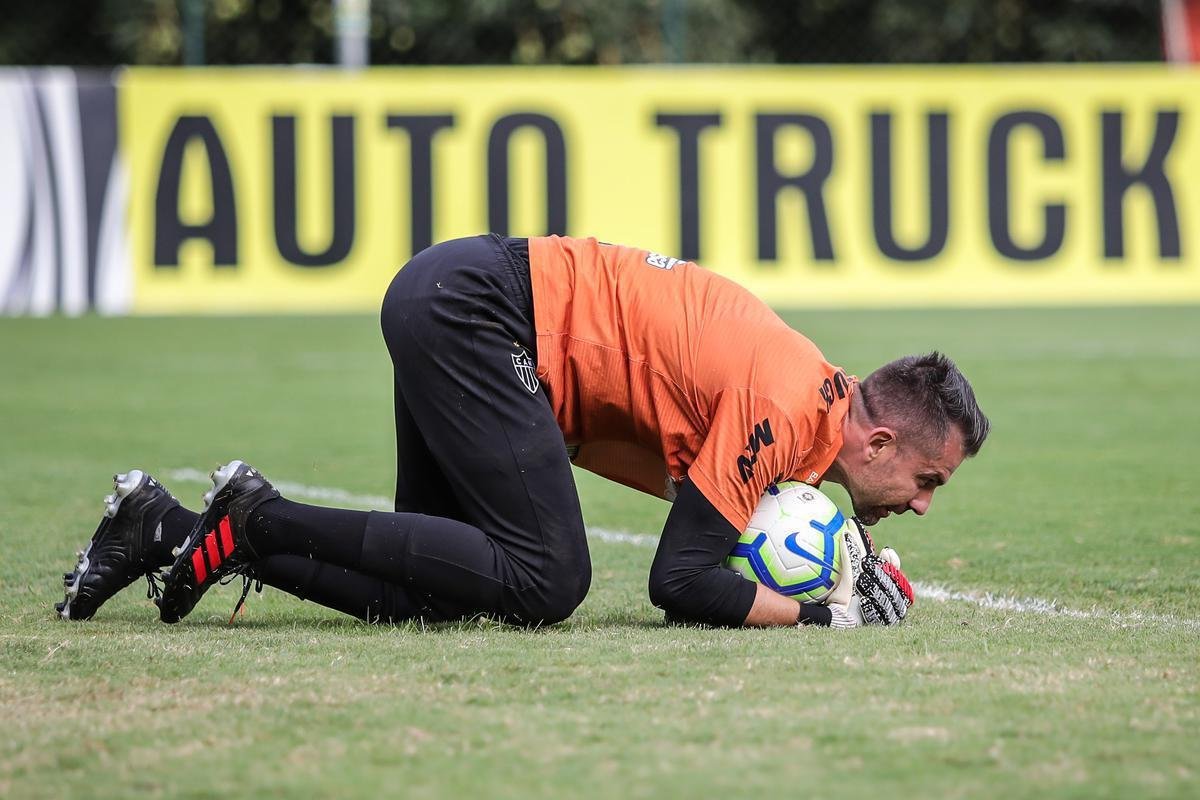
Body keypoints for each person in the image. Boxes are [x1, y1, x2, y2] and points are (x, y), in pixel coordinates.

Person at [55, 234, 988, 629]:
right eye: (928, 480)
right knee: (549, 579)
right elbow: (679, 580)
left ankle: (164, 530)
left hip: (465, 304)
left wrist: (846, 563)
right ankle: (257, 515)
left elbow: (735, 523)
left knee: (434, 593)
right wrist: (827, 614)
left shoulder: (805, 404)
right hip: (476, 312)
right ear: (878, 444)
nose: (923, 505)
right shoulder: (783, 402)